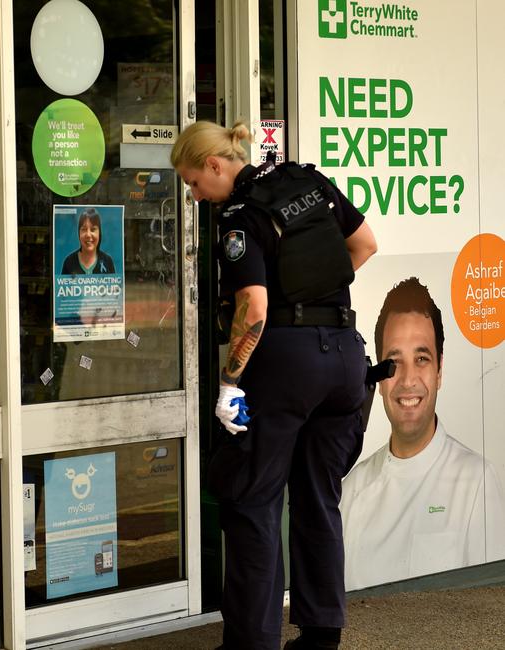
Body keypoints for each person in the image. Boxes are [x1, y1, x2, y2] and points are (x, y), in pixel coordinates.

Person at [171, 120, 377, 650]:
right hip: (344, 357)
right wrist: (318, 299)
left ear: (216, 165)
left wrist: (229, 383)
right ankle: (321, 632)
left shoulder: (241, 215)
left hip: (286, 364)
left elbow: (254, 308)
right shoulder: (309, 182)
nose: (196, 195)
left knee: (253, 501)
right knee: (317, 497)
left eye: (195, 182)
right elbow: (365, 245)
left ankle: (251, 641)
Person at [341, 277, 505, 591]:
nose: (407, 380)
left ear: (440, 370)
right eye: (394, 363)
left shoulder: (476, 483)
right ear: (378, 377)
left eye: (421, 359)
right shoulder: (352, 491)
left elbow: (492, 610)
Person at [60, 207, 115, 275]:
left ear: (99, 233)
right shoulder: (69, 262)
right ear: (79, 233)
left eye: (93, 229)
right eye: (84, 229)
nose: (88, 235)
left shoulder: (107, 261)